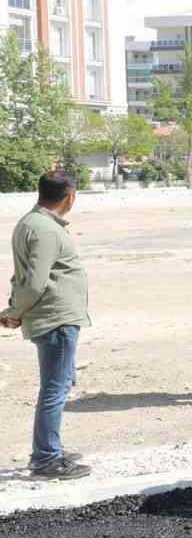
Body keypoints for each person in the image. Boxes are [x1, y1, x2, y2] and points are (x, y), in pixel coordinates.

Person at [3, 170, 91, 480]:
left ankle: (49, 448)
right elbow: (35, 283)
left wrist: (16, 309)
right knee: (55, 389)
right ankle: (46, 459)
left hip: (53, 317)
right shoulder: (45, 230)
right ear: (70, 197)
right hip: (56, 319)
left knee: (61, 384)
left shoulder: (32, 222)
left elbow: (25, 278)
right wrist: (13, 310)